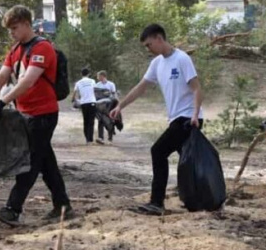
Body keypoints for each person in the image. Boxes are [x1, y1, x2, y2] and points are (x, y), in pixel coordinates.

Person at [0, 5, 72, 226]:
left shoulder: (42, 48)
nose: (12, 33)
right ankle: (63, 205)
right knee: (46, 162)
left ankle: (12, 209)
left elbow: (28, 80)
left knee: (31, 163)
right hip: (26, 115)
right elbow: (2, 74)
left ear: (27, 24)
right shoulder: (16, 49)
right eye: (10, 30)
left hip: (44, 115)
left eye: (15, 28)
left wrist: (2, 103)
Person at [110, 24, 204, 216]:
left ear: (159, 38)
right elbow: (141, 87)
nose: (148, 49)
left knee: (158, 151)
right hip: (176, 119)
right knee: (189, 161)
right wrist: (120, 105)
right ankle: (200, 199)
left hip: (187, 118)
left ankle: (157, 202)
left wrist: (195, 115)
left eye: (149, 44)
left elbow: (197, 88)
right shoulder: (157, 63)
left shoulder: (182, 59)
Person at [73, 68, 97, 144]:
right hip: (92, 102)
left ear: (81, 74)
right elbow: (95, 90)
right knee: (91, 121)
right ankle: (90, 139)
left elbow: (75, 93)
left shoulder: (78, 83)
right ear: (89, 74)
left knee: (85, 121)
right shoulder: (92, 81)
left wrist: (73, 100)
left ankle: (87, 139)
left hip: (83, 103)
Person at [94, 70, 118, 144]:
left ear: (103, 76)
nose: (98, 77)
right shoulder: (97, 85)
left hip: (109, 105)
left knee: (110, 121)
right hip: (100, 106)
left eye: (99, 76)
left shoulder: (111, 84)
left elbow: (114, 94)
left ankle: (110, 138)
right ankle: (100, 138)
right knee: (100, 120)